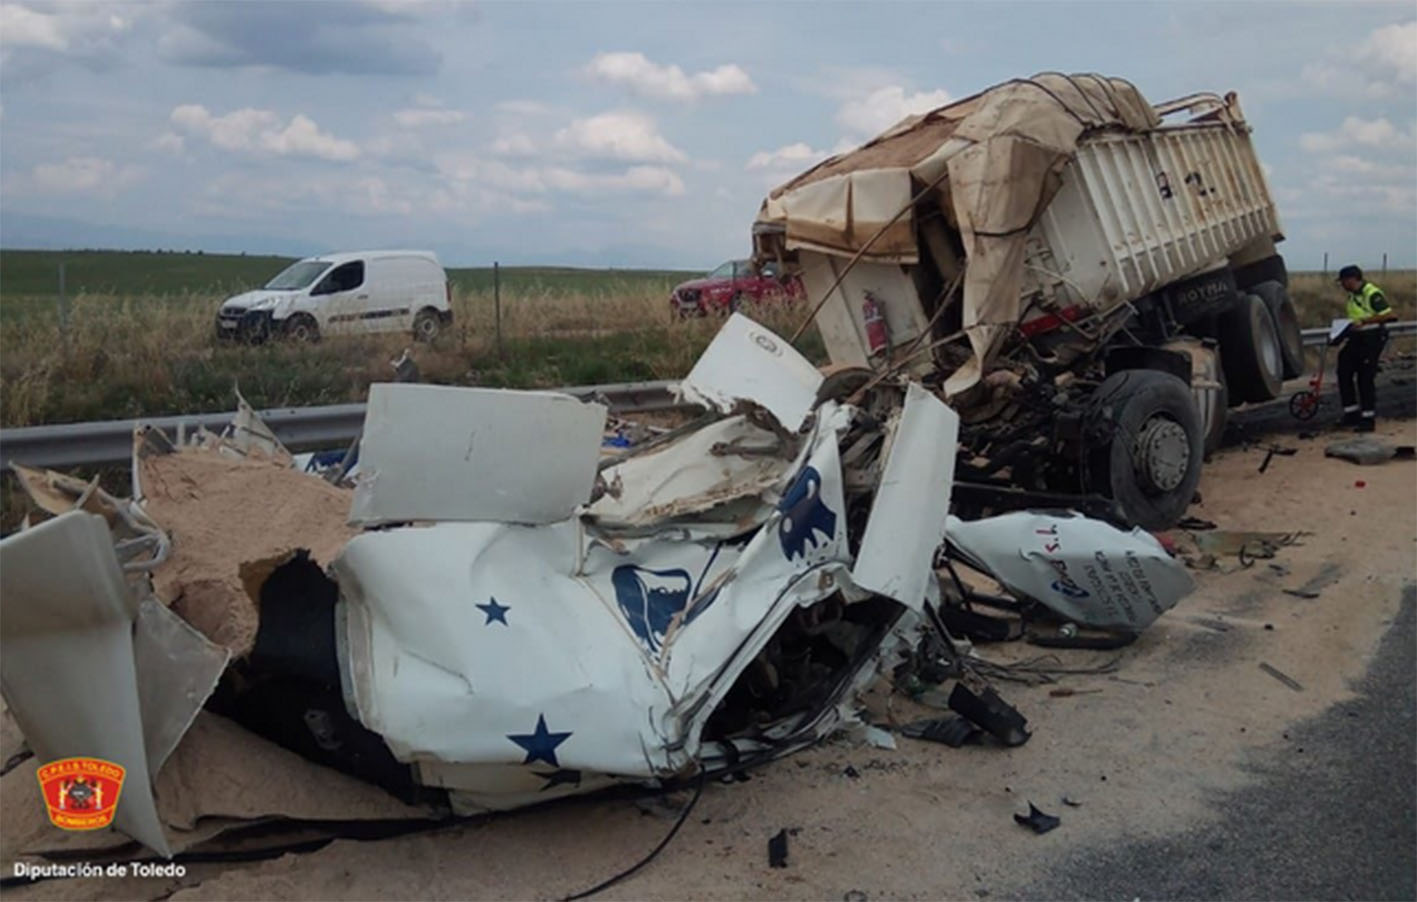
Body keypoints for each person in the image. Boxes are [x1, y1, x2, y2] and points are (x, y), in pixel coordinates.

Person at [1334, 265, 1395, 432]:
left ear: (1352, 279)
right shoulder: (1353, 296)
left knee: (1365, 377)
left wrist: (1365, 322)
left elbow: (1389, 315)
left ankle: (1368, 418)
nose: (1343, 286)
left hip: (1372, 338)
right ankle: (1351, 413)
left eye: (1344, 281)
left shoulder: (1371, 293)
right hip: (1356, 338)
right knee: (1344, 370)